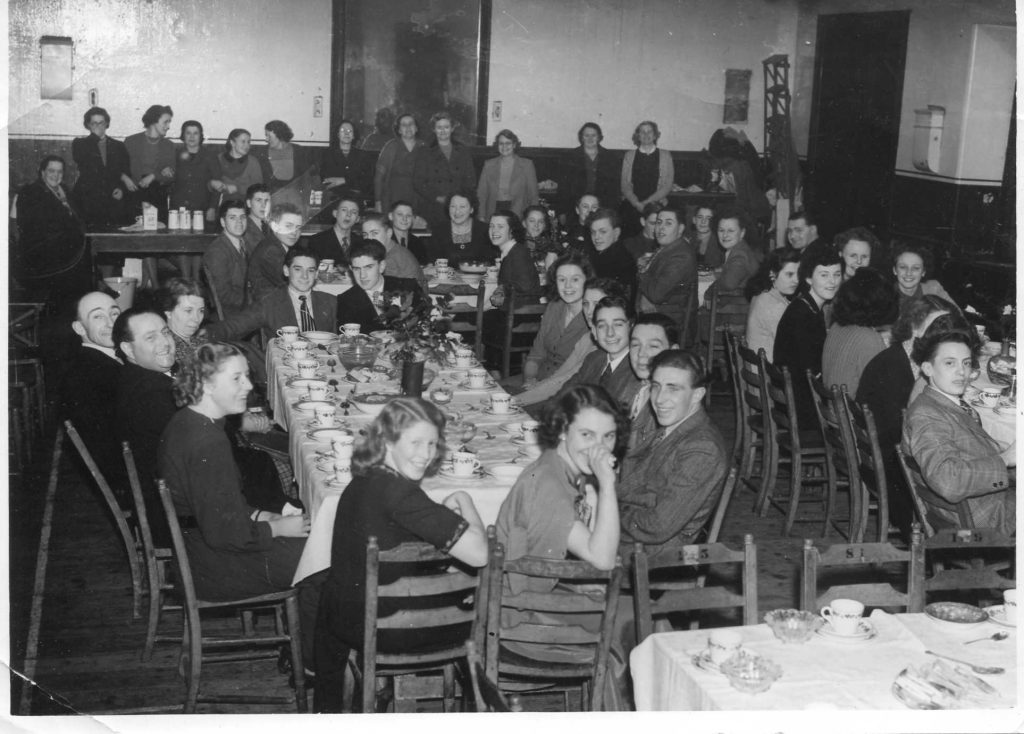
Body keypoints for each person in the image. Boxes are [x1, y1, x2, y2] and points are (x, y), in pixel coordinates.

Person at [314, 397, 488, 712]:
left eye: (433, 444)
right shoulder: (400, 492)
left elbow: (401, 519)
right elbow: (478, 553)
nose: (425, 454)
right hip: (390, 627)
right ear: (389, 440)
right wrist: (465, 501)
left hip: (345, 618)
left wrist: (438, 517)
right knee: (479, 596)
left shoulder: (368, 478)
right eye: (416, 442)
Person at [157, 343, 317, 663]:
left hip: (197, 546)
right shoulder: (208, 442)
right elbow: (225, 534)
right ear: (206, 383)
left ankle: (304, 643)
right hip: (208, 564)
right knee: (322, 557)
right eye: (237, 378)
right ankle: (312, 660)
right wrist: (277, 528)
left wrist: (264, 515)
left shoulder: (191, 421)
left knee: (313, 541)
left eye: (247, 376)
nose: (248, 386)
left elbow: (217, 505)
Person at [493, 384, 627, 710]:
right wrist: (607, 485)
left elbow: (592, 541)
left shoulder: (560, 466)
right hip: (519, 623)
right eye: (587, 435)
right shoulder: (551, 486)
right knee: (634, 625)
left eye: (607, 437)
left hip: (525, 599)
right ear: (564, 429)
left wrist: (594, 493)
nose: (599, 448)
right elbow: (603, 559)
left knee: (635, 617)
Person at [856, 295, 957, 536]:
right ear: (913, 326)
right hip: (897, 473)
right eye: (936, 326)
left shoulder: (911, 359)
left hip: (890, 455)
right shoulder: (892, 367)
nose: (943, 333)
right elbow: (901, 431)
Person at [902, 330, 1014, 535]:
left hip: (982, 503)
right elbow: (948, 481)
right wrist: (1004, 460)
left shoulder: (942, 403)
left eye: (966, 363)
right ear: (928, 368)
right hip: (980, 520)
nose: (961, 372)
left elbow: (963, 445)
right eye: (949, 363)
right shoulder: (926, 414)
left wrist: (997, 449)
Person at [618, 350, 728, 554]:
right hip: (635, 537)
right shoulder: (672, 427)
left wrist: (603, 514)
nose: (659, 399)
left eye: (673, 389)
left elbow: (659, 526)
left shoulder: (702, 449)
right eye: (656, 387)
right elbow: (639, 482)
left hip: (653, 556)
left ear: (697, 395)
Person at [517, 278, 625, 409]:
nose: (589, 311)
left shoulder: (606, 344)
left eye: (596, 304)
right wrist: (534, 388)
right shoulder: (587, 338)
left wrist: (513, 401)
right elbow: (560, 376)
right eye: (585, 304)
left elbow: (564, 381)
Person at [60, 291, 126, 502]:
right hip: (130, 481)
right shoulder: (87, 375)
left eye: (115, 313)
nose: (111, 322)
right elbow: (109, 451)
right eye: (98, 316)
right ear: (79, 328)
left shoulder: (112, 359)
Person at [210, 245, 338, 344]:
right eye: (298, 269)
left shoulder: (330, 302)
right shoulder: (270, 303)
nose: (304, 276)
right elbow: (235, 326)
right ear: (286, 271)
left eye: (310, 270)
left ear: (316, 274)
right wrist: (203, 335)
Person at [773, 245, 843, 427]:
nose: (832, 282)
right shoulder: (803, 315)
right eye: (824, 275)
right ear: (808, 278)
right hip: (803, 409)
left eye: (837, 274)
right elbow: (812, 371)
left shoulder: (806, 305)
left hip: (793, 400)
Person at [13, 155, 91, 304]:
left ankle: (83, 302)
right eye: (51, 171)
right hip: (42, 253)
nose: (56, 175)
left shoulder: (65, 191)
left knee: (87, 256)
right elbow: (33, 228)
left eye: (60, 172)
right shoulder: (30, 192)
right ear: (42, 172)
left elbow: (79, 216)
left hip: (65, 248)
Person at [521, 251, 593, 387]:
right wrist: (529, 380)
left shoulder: (592, 317)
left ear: (587, 281)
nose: (567, 286)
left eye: (575, 279)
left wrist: (539, 388)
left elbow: (578, 374)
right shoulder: (554, 307)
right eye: (562, 279)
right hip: (538, 380)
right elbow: (535, 356)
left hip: (566, 390)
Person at [821, 268, 898, 396]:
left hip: (835, 411)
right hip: (854, 414)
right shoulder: (869, 339)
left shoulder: (836, 327)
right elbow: (883, 390)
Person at [561, 296, 642, 412]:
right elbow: (565, 396)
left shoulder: (638, 368)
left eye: (618, 324)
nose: (610, 333)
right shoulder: (593, 359)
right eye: (602, 326)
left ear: (632, 327)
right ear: (594, 331)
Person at [636, 205, 697, 349]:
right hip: (660, 318)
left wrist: (641, 272)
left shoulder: (681, 255)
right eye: (658, 222)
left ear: (681, 229)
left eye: (668, 223)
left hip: (672, 327)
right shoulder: (668, 249)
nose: (661, 228)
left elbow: (656, 294)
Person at [336, 240, 422, 334]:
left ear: (382, 266)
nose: (362, 275)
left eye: (368, 267)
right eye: (357, 269)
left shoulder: (408, 288)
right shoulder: (346, 300)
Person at [71, 106, 133, 227]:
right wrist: (95, 137)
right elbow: (83, 162)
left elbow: (126, 172)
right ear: (88, 125)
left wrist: (121, 188)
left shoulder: (118, 146)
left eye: (101, 123)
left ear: (107, 124)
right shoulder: (80, 144)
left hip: (112, 197)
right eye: (94, 123)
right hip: (88, 198)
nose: (98, 126)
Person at [412, 111, 477, 226]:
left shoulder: (463, 152)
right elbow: (418, 182)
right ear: (434, 129)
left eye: (446, 127)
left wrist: (459, 199)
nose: (443, 131)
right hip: (434, 206)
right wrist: (437, 197)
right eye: (439, 127)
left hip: (459, 207)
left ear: (452, 129)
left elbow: (470, 180)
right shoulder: (424, 152)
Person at [626, 313, 680, 449]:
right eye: (635, 345)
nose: (641, 353)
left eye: (653, 346)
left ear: (673, 352)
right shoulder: (632, 385)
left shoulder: (669, 407)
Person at [744, 248, 801, 359]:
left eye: (798, 274)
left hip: (759, 368)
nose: (796, 280)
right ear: (772, 274)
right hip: (768, 373)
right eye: (789, 274)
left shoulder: (762, 294)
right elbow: (793, 347)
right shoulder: (775, 305)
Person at [620, 121, 674, 237]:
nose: (646, 134)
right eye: (642, 132)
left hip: (657, 204)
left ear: (655, 135)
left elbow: (667, 185)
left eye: (649, 131)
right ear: (638, 136)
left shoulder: (666, 155)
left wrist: (647, 203)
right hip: (633, 205)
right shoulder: (629, 155)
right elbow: (625, 185)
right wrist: (636, 203)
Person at [124, 104, 175, 220]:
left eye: (169, 122)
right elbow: (119, 168)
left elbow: (172, 175)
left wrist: (153, 176)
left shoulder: (169, 146)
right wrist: (124, 178)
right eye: (165, 122)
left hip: (158, 194)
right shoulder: (131, 141)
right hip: (134, 192)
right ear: (153, 120)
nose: (168, 126)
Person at [204, 199, 254, 316]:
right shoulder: (217, 251)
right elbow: (224, 296)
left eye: (242, 217)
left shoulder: (244, 243)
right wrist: (255, 300)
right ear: (222, 222)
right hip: (234, 314)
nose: (239, 222)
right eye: (232, 218)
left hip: (246, 306)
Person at [476, 128, 539, 220]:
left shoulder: (527, 165)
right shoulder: (488, 165)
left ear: (514, 145)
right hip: (494, 211)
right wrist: (481, 216)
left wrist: (532, 218)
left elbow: (533, 195)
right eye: (501, 143)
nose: (504, 147)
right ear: (497, 146)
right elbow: (481, 194)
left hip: (518, 212)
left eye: (508, 143)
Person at [248, 203, 305, 304]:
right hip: (268, 309)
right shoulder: (271, 250)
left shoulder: (277, 243)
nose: (294, 232)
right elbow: (292, 285)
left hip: (277, 303)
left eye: (298, 227)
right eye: (288, 226)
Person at [487, 210, 543, 311]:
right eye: (491, 226)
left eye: (500, 226)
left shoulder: (518, 253)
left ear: (512, 231)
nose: (494, 231)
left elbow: (524, 285)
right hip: (513, 311)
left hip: (522, 315)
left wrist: (502, 289)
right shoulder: (510, 251)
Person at [170, 120, 222, 225]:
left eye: (195, 133)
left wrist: (212, 208)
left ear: (201, 135)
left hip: (203, 209)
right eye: (188, 133)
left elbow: (217, 185)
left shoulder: (210, 157)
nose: (192, 136)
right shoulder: (174, 155)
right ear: (183, 135)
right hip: (179, 209)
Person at [562, 122, 621, 213]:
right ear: (581, 137)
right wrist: (563, 211)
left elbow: (615, 188)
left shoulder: (610, 157)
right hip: (576, 207)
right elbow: (564, 187)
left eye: (593, 135)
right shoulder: (571, 157)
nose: (590, 139)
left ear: (599, 137)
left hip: (604, 206)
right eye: (586, 135)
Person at [360, 211, 426, 291]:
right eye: (365, 234)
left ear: (389, 233)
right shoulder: (393, 250)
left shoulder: (390, 260)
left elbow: (383, 295)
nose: (369, 239)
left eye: (374, 233)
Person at [374, 113, 425, 214]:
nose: (408, 127)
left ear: (416, 128)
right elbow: (379, 177)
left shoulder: (424, 147)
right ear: (399, 130)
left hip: (418, 202)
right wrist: (377, 202)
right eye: (404, 125)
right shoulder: (391, 147)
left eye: (411, 124)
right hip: (393, 200)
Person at [706, 208, 762, 299]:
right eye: (721, 230)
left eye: (731, 231)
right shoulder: (739, 248)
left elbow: (729, 284)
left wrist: (709, 290)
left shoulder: (740, 255)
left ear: (742, 233)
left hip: (736, 309)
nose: (725, 235)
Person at [425, 190, 492, 265]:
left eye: (462, 207)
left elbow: (490, 262)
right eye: (453, 206)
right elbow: (433, 261)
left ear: (471, 209)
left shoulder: (484, 230)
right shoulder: (439, 230)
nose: (457, 211)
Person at [583, 208, 636, 301]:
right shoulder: (601, 254)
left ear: (616, 233)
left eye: (603, 232)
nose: (596, 237)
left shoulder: (622, 261)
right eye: (593, 232)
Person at [320, 119, 374, 201]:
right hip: (333, 199)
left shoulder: (363, 156)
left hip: (357, 199)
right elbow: (327, 180)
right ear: (338, 134)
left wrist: (344, 180)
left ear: (354, 136)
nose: (346, 133)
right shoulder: (327, 154)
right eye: (342, 130)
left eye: (350, 131)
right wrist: (353, 181)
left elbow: (367, 181)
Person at [158, 278, 208, 365]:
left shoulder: (199, 340)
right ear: (169, 312)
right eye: (188, 311)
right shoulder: (167, 350)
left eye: (201, 311)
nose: (196, 318)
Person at [260, 120, 317, 193]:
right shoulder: (262, 152)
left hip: (295, 194)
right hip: (272, 195)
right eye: (266, 136)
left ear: (280, 135)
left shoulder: (298, 151)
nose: (266, 139)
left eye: (269, 136)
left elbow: (306, 178)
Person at [891, 241, 953, 306]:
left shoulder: (934, 288)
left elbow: (957, 313)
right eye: (903, 267)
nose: (909, 273)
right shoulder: (885, 296)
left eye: (916, 268)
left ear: (923, 272)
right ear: (895, 270)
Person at [309, 196, 362, 267]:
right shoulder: (317, 241)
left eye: (354, 212)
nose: (348, 215)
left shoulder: (361, 242)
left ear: (357, 219)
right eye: (344, 210)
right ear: (335, 213)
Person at [218, 129, 265, 205]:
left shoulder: (253, 161)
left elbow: (258, 187)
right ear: (232, 143)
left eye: (248, 142)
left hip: (247, 204)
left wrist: (238, 188)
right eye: (243, 141)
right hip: (223, 203)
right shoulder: (219, 159)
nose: (247, 146)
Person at [522, 205, 562, 269]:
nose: (536, 225)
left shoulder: (550, 247)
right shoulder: (516, 244)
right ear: (524, 223)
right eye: (532, 221)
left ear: (544, 226)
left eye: (540, 222)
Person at [389, 200, 428, 265]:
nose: (404, 218)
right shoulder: (385, 240)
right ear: (391, 216)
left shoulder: (417, 242)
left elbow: (424, 264)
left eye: (409, 215)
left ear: (413, 219)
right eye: (400, 214)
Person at [242, 183, 272, 253]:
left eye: (266, 201)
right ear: (249, 203)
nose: (263, 205)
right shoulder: (242, 228)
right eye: (258, 200)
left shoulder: (270, 226)